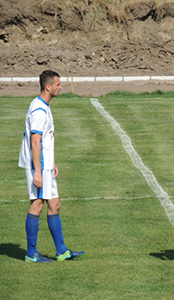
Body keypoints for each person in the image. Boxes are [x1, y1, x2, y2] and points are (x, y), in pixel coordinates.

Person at [19, 70, 84, 263]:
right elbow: (35, 141)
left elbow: (45, 140)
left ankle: (62, 251)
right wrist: (38, 172)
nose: (60, 87)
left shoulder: (43, 106)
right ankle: (31, 253)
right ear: (48, 87)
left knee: (55, 204)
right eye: (58, 84)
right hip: (37, 167)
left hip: (45, 165)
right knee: (37, 205)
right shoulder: (38, 110)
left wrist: (51, 162)